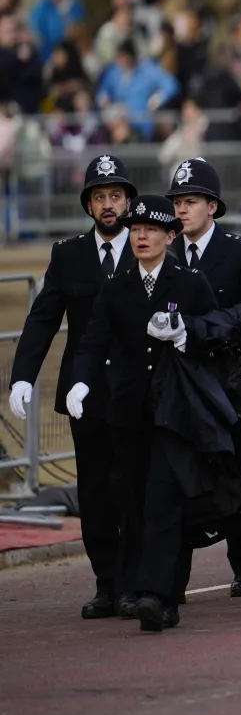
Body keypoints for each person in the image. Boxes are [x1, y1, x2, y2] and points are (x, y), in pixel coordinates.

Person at [67, 195, 219, 632]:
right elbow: (94, 341)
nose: (141, 236)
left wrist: (187, 335)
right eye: (135, 230)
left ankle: (161, 595)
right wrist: (81, 381)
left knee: (163, 500)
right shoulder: (116, 287)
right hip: (128, 411)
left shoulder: (189, 283)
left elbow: (219, 334)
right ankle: (133, 586)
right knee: (130, 498)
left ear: (170, 236)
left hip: (175, 410)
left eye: (150, 230)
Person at [8, 155, 136, 619]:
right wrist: (22, 375)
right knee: (95, 491)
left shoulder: (151, 244)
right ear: (88, 204)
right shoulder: (69, 255)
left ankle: (138, 580)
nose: (108, 205)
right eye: (99, 197)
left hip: (138, 393)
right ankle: (107, 582)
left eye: (115, 196)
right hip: (85, 396)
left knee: (135, 487)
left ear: (129, 201)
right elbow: (43, 318)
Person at [165, 156, 241, 597]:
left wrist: (215, 324)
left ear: (213, 206)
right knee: (177, 475)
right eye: (178, 202)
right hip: (177, 379)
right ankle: (173, 577)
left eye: (191, 201)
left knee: (232, 472)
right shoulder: (164, 253)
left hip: (226, 377)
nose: (182, 210)